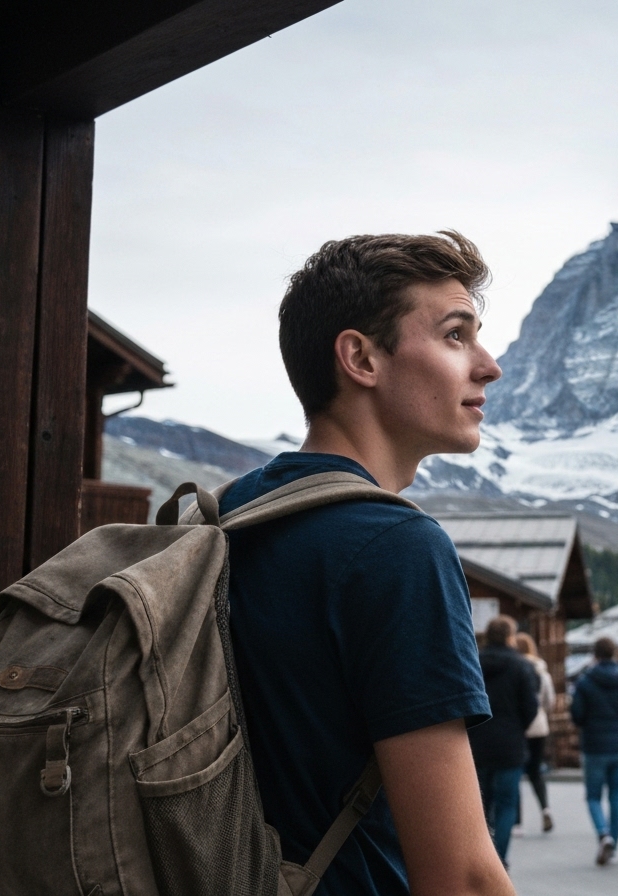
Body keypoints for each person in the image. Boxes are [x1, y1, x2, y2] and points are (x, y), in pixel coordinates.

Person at [219, 232, 515, 896]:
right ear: (360, 358)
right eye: (456, 335)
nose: (489, 366)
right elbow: (461, 878)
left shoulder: (224, 517)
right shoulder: (395, 548)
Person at [469, 616, 539, 866]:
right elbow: (531, 707)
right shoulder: (521, 666)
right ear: (510, 637)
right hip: (510, 744)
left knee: (481, 804)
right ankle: (500, 859)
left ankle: (482, 858)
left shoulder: (473, 662)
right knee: (507, 803)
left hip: (476, 743)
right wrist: (518, 728)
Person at [570, 637, 618, 866]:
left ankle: (603, 833)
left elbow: (577, 715)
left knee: (593, 796)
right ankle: (614, 846)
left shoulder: (585, 681)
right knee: (616, 796)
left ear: (595, 654)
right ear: (615, 654)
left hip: (594, 746)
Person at [515, 632, 555, 833]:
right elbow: (549, 701)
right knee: (536, 771)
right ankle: (545, 808)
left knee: (515, 773)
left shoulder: (513, 669)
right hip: (538, 726)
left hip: (517, 726)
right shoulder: (542, 671)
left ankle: (517, 821)